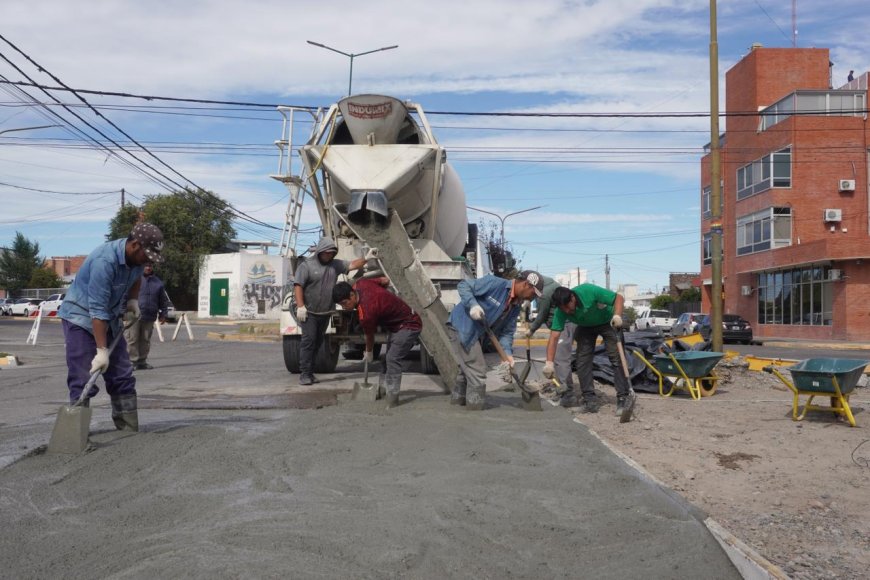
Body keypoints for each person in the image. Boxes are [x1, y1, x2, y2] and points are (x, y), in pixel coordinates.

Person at [57, 223, 165, 432]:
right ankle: (76, 434)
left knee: (122, 374)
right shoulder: (104, 262)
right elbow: (97, 311)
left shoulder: (136, 261)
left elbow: (136, 279)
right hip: (81, 318)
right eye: (148, 254)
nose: (149, 260)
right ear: (135, 245)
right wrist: (101, 351)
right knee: (83, 377)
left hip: (109, 317)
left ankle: (128, 428)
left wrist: (132, 301)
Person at [446, 270, 544, 410]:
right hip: (463, 327)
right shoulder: (494, 283)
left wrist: (508, 354)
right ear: (526, 284)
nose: (533, 298)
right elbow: (464, 285)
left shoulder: (515, 306)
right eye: (533, 294)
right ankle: (475, 409)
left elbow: (507, 332)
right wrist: (473, 305)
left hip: (478, 333)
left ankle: (457, 403)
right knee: (477, 370)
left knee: (466, 371)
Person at [293, 236, 376, 385]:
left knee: (317, 342)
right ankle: (304, 374)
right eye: (327, 252)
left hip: (325, 312)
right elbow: (298, 285)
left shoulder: (335, 265)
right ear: (320, 251)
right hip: (309, 312)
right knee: (309, 341)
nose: (329, 255)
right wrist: (300, 306)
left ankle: (310, 372)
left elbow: (352, 265)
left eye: (332, 252)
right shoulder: (307, 266)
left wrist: (366, 258)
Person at [542, 284, 635, 416]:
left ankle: (623, 398)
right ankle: (590, 401)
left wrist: (617, 316)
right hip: (586, 327)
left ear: (572, 297)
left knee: (616, 358)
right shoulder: (561, 311)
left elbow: (618, 298)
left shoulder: (588, 291)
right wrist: (549, 363)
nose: (568, 311)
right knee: (582, 361)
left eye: (568, 307)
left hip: (609, 322)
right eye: (564, 309)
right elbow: (554, 337)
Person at [332, 277, 422, 407]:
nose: (344, 307)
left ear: (352, 294)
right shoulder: (361, 283)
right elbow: (385, 280)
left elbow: (370, 337)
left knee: (392, 358)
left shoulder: (366, 313)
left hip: (410, 324)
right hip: (395, 325)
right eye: (341, 305)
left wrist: (369, 352)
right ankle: (382, 390)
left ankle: (392, 399)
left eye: (345, 303)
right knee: (386, 360)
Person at [525, 275, 577, 406]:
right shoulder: (550, 285)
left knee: (560, 358)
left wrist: (532, 329)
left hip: (565, 324)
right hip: (560, 325)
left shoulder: (545, 293)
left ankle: (569, 395)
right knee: (558, 358)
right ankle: (563, 390)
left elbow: (542, 315)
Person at [124, 263, 170, 370]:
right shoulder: (133, 279)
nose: (148, 268)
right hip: (133, 315)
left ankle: (142, 361)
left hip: (150, 315)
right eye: (146, 266)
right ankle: (131, 362)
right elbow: (124, 295)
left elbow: (163, 300)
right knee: (132, 339)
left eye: (150, 266)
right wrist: (122, 311)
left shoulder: (158, 282)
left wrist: (163, 314)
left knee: (145, 340)